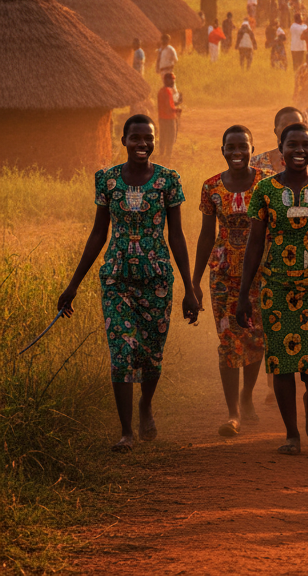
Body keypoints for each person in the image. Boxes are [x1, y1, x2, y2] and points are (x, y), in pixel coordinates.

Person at [57, 115, 200, 452]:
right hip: (116, 278)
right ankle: (125, 432)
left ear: (154, 141)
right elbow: (98, 233)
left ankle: (145, 406)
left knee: (151, 356)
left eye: (148, 138)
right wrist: (73, 284)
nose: (142, 144)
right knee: (122, 354)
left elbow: (176, 235)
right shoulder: (107, 180)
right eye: (135, 137)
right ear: (123, 140)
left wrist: (190, 288)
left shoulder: (168, 180)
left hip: (157, 279)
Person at [237, 122, 308, 455]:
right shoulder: (265, 190)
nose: (300, 151)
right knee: (281, 363)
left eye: (306, 145)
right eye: (292, 145)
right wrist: (244, 295)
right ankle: (291, 434)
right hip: (275, 286)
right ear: (280, 147)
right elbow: (255, 242)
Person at [192, 126, 271, 437]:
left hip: (261, 273)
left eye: (243, 146)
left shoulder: (267, 183)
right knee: (228, 341)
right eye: (231, 147)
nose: (237, 152)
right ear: (222, 149)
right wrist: (194, 281)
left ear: (252, 148)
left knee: (255, 338)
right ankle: (233, 413)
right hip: (223, 273)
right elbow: (206, 235)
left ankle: (248, 396)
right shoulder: (211, 186)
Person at [156, 71, 181, 159]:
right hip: (169, 119)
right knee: (170, 138)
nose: (173, 82)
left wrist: (176, 104)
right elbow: (169, 107)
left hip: (162, 118)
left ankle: (161, 154)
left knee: (163, 137)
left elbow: (166, 105)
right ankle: (168, 157)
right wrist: (177, 110)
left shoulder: (161, 91)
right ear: (168, 80)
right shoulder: (168, 91)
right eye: (172, 80)